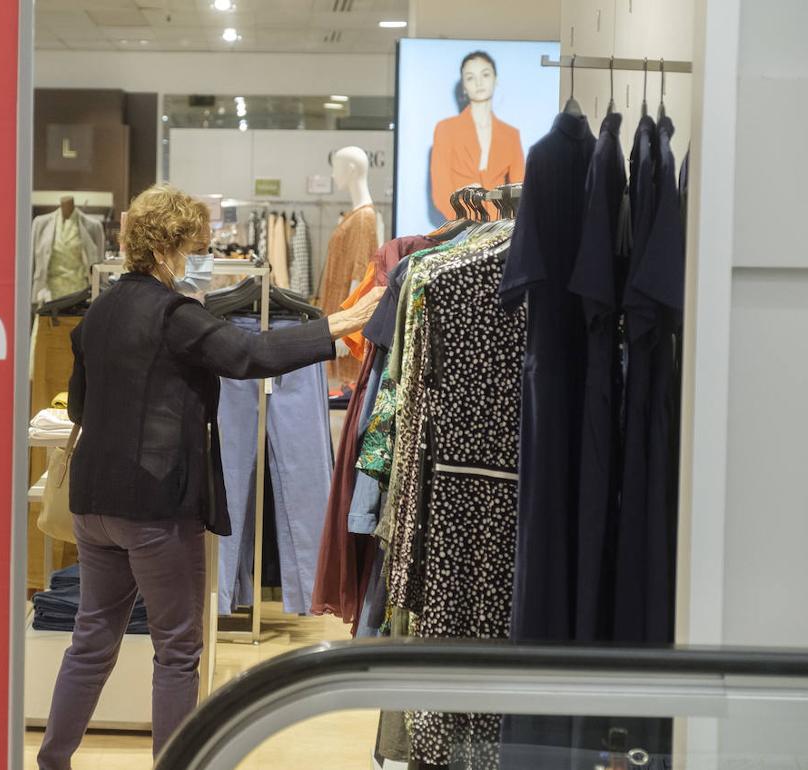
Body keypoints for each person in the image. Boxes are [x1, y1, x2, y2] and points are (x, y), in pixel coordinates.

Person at [37, 184, 385, 768]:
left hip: (93, 502)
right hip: (154, 507)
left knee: (92, 641)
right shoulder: (177, 316)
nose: (201, 257)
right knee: (177, 650)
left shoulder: (98, 313)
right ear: (172, 247)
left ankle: (51, 761)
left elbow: (78, 408)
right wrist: (337, 325)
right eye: (196, 246)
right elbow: (251, 358)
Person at [430, 50, 526, 220]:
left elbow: (520, 191)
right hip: (459, 233)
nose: (479, 82)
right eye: (470, 77)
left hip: (500, 234)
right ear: (464, 87)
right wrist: (467, 226)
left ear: (495, 79)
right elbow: (441, 193)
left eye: (485, 74)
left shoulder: (511, 135)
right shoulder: (445, 129)